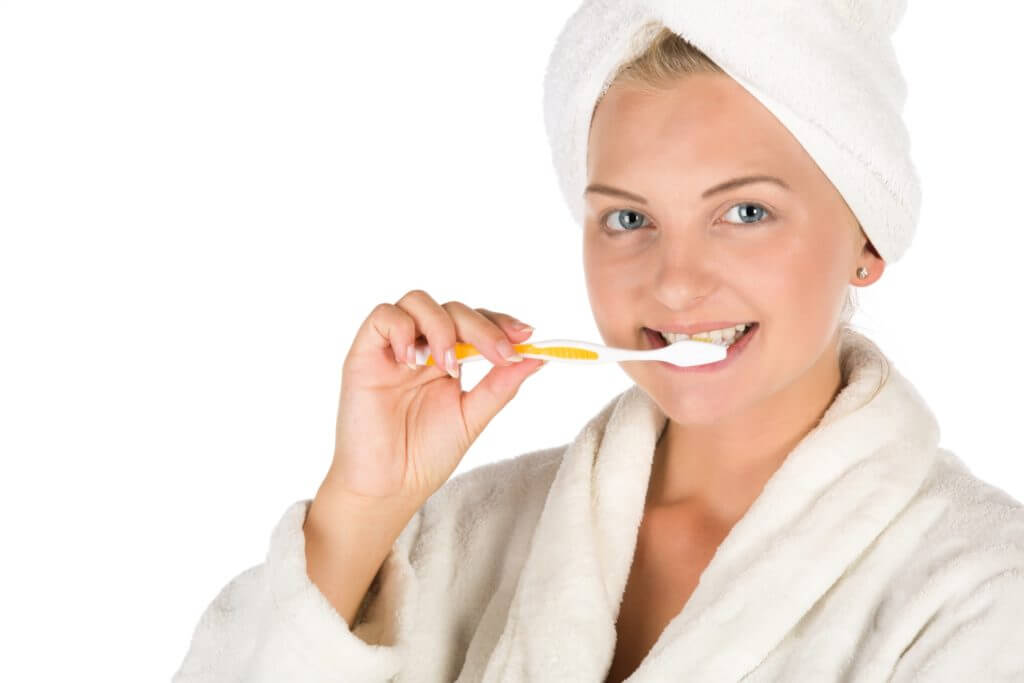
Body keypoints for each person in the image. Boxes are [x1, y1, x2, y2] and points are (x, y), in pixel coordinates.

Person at [172, 4, 1024, 682]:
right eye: (628, 218)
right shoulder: (465, 535)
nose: (676, 283)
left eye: (746, 212)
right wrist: (358, 507)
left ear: (866, 241)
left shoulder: (981, 590)